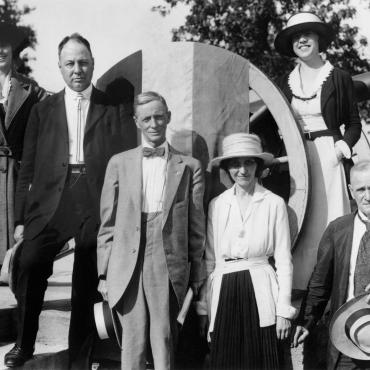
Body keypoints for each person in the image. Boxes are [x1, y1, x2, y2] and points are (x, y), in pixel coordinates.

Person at [4, 33, 131, 368]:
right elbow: (27, 167)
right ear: (59, 67)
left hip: (95, 198)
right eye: (70, 63)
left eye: (84, 62)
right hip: (52, 202)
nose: (78, 69)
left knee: (86, 273)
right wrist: (20, 220)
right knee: (30, 263)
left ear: (93, 64)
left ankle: (80, 356)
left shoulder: (113, 108)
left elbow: (127, 162)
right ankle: (24, 343)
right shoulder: (42, 110)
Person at [97, 91, 206, 370]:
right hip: (126, 260)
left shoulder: (190, 167)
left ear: (168, 117)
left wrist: (197, 272)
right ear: (137, 121)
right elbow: (107, 225)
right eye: (147, 118)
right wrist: (103, 274)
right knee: (132, 339)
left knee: (164, 336)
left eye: (159, 117)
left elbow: (195, 227)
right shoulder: (118, 163)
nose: (154, 124)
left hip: (167, 259)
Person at [274, 12, 361, 289]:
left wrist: (342, 147)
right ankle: (301, 287)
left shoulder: (338, 77)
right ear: (291, 45)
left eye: (308, 34)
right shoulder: (285, 82)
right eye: (296, 37)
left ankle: (336, 289)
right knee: (303, 217)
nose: (302, 40)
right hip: (299, 158)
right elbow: (278, 119)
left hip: (329, 156)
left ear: (319, 39)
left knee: (331, 218)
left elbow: (354, 123)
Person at [197, 133, 296, 369]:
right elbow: (209, 261)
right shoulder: (217, 205)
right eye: (235, 164)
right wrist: (204, 308)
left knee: (261, 359)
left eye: (249, 162)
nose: (242, 170)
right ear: (228, 168)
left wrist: (283, 310)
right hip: (225, 291)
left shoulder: (273, 203)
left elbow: (283, 260)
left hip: (261, 288)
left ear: (258, 166)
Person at [293, 160, 370, 370]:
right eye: (361, 189)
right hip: (348, 337)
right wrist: (308, 321)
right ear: (351, 191)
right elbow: (320, 282)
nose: (368, 196)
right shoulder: (338, 230)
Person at [0, 22, 46, 266]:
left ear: (13, 48)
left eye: (4, 44)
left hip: (16, 179)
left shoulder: (31, 89)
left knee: (14, 254)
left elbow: (57, 108)